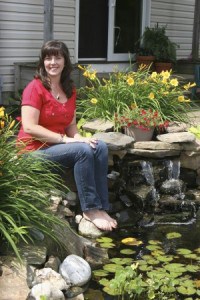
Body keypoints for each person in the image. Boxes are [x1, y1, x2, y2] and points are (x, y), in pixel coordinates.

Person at [17, 40, 117, 231]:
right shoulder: (35, 88)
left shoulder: (70, 90)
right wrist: (66, 140)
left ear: (65, 62)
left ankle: (102, 207)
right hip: (31, 153)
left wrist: (80, 138)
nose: (52, 62)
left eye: (57, 57)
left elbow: (71, 126)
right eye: (48, 58)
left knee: (99, 146)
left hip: (57, 149)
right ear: (42, 62)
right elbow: (29, 127)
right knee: (81, 151)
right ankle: (89, 209)